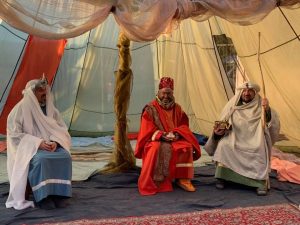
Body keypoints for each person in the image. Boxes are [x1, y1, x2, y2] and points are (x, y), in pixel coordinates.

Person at [6, 76, 72, 210]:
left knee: (65, 156)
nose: (45, 94)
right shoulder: (19, 109)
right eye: (41, 91)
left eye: (45, 90)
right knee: (41, 159)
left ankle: (58, 195)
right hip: (30, 149)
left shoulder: (51, 110)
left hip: (51, 146)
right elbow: (14, 135)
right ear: (32, 93)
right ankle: (43, 197)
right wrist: (38, 143)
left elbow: (61, 129)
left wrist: (55, 142)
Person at [205, 81, 280, 195]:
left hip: (255, 140)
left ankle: (258, 183)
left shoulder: (262, 106)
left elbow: (272, 123)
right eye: (244, 91)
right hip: (234, 138)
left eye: (250, 91)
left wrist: (267, 110)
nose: (246, 93)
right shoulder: (232, 106)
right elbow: (223, 123)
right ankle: (222, 177)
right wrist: (218, 132)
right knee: (223, 145)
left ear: (254, 93)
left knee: (259, 149)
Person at [135, 77, 201, 195]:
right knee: (156, 148)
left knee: (186, 147)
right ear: (158, 92)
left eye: (169, 93)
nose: (166, 96)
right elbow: (147, 129)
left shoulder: (178, 108)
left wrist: (177, 134)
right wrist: (161, 135)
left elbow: (184, 125)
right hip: (155, 139)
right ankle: (157, 180)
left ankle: (183, 179)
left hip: (174, 138)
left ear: (172, 93)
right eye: (163, 93)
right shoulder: (150, 109)